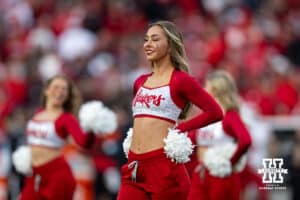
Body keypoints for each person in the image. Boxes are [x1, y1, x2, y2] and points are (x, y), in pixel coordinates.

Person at [117, 20, 223, 200]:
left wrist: (181, 128)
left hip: (164, 168)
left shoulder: (180, 80)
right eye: (146, 39)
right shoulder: (140, 81)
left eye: (155, 39)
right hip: (134, 166)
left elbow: (215, 112)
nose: (148, 44)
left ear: (170, 45)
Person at [17, 75, 95, 200]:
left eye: (64, 89)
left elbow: (84, 142)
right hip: (34, 174)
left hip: (56, 175)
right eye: (56, 87)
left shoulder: (66, 119)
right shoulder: (37, 113)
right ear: (46, 90)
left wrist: (92, 128)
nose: (59, 91)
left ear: (67, 96)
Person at [187, 70, 252, 200]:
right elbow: (190, 142)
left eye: (206, 86)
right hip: (201, 174)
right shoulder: (205, 115)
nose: (204, 90)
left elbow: (245, 141)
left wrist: (229, 162)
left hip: (222, 178)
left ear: (216, 89)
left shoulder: (230, 115)